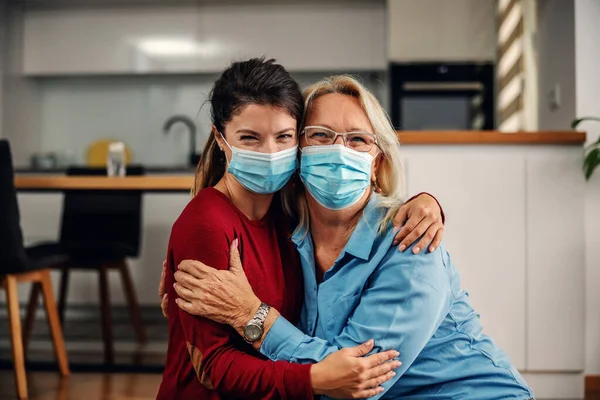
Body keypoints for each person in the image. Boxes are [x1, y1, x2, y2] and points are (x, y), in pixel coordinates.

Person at [168, 75, 535, 399]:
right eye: (321, 136)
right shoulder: (288, 230)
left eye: (358, 139)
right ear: (298, 152)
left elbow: (350, 384)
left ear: (377, 163)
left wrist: (252, 315)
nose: (339, 150)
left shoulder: (412, 246)